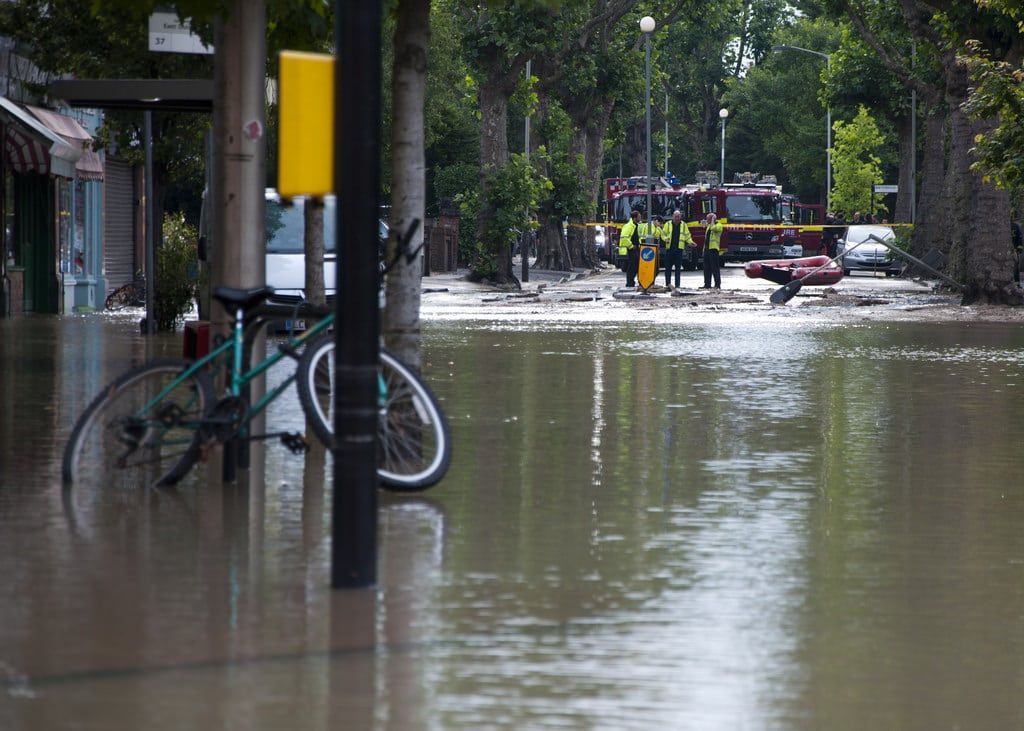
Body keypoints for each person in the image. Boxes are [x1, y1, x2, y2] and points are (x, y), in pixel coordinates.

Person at [661, 209, 693, 288]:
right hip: (669, 249)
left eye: (678, 216)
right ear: (672, 216)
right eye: (675, 216)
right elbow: (663, 234)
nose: (677, 218)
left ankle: (677, 285)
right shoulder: (668, 224)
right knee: (668, 268)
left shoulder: (684, 225)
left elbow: (687, 235)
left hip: (679, 249)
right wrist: (665, 239)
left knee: (678, 269)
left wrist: (690, 242)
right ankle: (668, 284)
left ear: (680, 217)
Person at [618, 208, 643, 287]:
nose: (640, 218)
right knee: (632, 267)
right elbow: (624, 238)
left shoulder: (636, 225)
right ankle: (629, 283)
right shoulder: (628, 226)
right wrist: (631, 246)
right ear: (635, 218)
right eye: (639, 217)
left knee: (636, 267)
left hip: (636, 249)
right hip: (630, 249)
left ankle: (633, 282)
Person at [700, 212, 723, 289]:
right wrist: (704, 250)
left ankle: (717, 285)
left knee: (715, 268)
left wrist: (713, 220)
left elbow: (714, 228)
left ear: (712, 219)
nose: (707, 220)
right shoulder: (709, 226)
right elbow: (706, 239)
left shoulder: (718, 225)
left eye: (708, 219)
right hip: (707, 249)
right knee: (706, 268)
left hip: (713, 249)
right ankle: (707, 284)